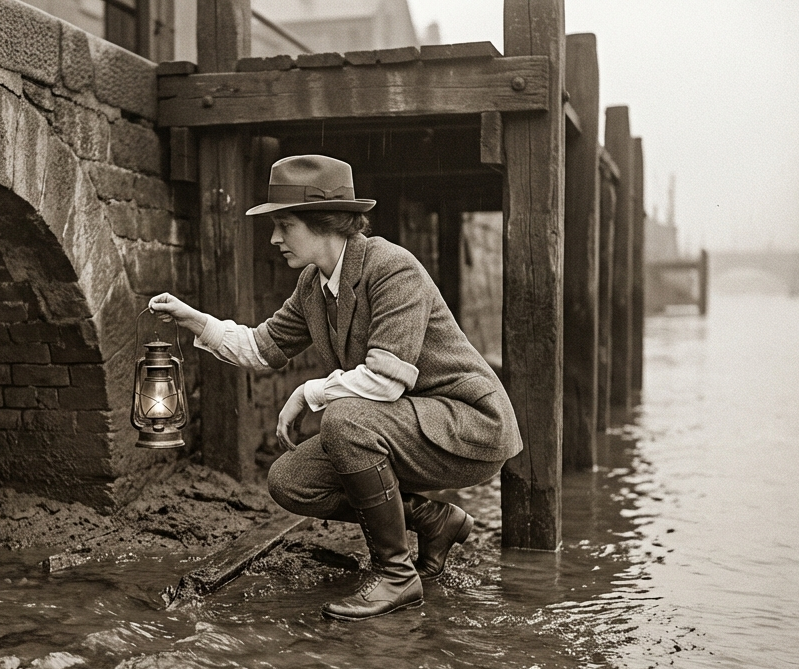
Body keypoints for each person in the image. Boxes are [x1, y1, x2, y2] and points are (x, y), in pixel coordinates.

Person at [148, 155, 522, 621]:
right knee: (290, 480)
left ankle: (396, 576)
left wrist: (309, 392)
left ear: (324, 222)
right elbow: (261, 348)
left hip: (469, 425)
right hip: (408, 423)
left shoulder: (392, 267)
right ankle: (433, 520)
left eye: (284, 225)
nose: (274, 238)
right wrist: (195, 320)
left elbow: (386, 381)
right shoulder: (313, 285)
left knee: (345, 418)